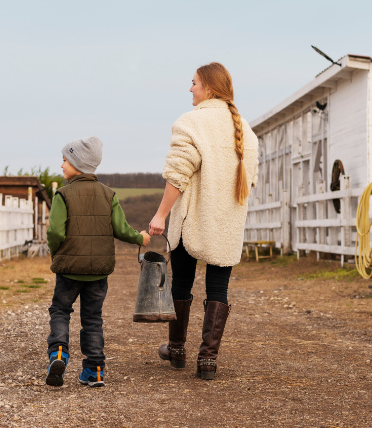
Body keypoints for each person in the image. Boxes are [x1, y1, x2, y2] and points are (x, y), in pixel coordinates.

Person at [148, 62, 259, 380]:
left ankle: (178, 349)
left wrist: (160, 215)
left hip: (190, 221)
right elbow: (249, 183)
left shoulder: (191, 123)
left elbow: (177, 175)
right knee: (218, 289)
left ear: (209, 88)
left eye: (194, 83)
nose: (190, 88)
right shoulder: (246, 131)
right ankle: (208, 361)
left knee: (182, 283)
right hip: (226, 225)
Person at [45, 136, 150, 388]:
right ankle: (95, 371)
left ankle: (58, 354)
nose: (61, 165)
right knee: (92, 319)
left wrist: (56, 252)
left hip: (69, 270)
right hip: (98, 272)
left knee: (60, 310)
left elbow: (55, 232)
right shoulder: (108, 194)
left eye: (64, 160)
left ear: (77, 163)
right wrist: (141, 238)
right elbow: (121, 229)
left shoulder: (63, 195)